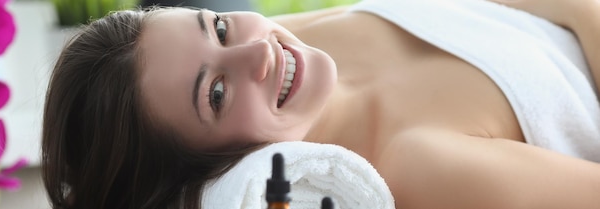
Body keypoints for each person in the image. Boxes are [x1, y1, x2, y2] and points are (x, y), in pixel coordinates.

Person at [41, 0, 600, 208]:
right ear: (218, 171)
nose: (259, 51)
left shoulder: (295, 41)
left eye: (216, 26)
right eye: (216, 93)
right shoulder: (420, 165)